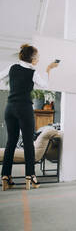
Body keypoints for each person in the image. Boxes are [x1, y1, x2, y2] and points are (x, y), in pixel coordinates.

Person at [0, 44, 58, 191]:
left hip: (10, 108)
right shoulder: (32, 72)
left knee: (11, 142)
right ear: (32, 59)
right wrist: (48, 69)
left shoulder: (12, 67)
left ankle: (5, 176)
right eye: (37, 57)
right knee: (28, 143)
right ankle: (30, 176)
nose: (38, 60)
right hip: (24, 108)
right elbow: (45, 85)